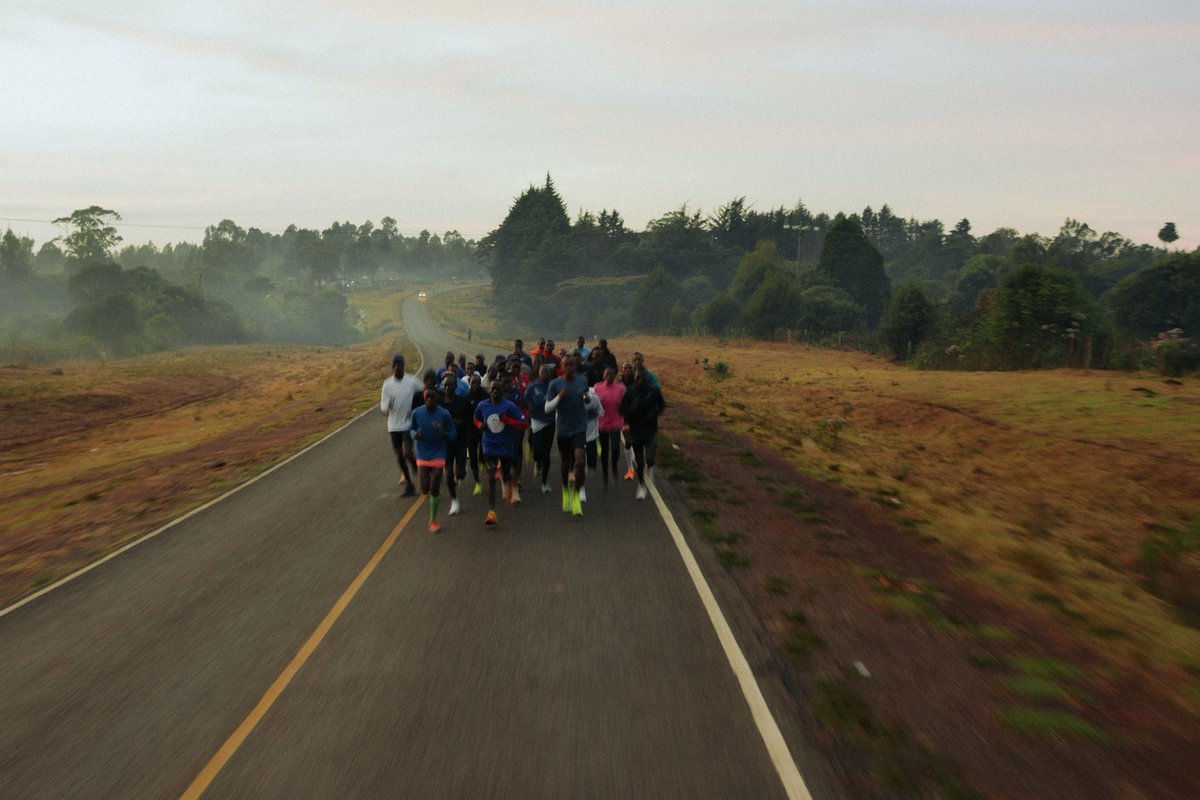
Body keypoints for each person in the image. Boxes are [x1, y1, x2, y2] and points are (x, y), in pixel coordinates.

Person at [473, 379, 527, 526]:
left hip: (505, 446)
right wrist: (480, 425)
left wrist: (508, 420)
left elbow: (524, 424)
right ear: (489, 391)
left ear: (502, 391)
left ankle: (508, 483)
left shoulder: (509, 406)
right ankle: (491, 512)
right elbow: (476, 418)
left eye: (498, 389)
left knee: (506, 472)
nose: (495, 391)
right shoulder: (482, 405)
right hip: (489, 445)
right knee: (491, 476)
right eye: (492, 389)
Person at [545, 354, 591, 516]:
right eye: (566, 365)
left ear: (575, 366)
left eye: (572, 365)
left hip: (579, 427)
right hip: (564, 429)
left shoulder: (582, 381)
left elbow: (587, 397)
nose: (569, 368)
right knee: (565, 461)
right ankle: (565, 489)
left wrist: (587, 399)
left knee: (580, 461)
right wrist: (559, 397)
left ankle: (576, 494)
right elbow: (547, 408)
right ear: (561, 367)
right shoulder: (555, 384)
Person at [410, 388, 456, 532]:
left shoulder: (444, 414)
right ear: (424, 398)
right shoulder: (417, 412)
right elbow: (411, 429)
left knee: (434, 488)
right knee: (425, 488)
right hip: (423, 453)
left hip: (438, 452)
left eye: (432, 397)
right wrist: (415, 435)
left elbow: (453, 434)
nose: (429, 400)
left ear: (437, 398)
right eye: (427, 397)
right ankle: (431, 482)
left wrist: (444, 432)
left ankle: (433, 521)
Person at [379, 353, 424, 496]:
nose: (398, 368)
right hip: (393, 426)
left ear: (404, 366)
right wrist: (385, 409)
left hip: (408, 424)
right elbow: (383, 406)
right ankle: (410, 485)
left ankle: (418, 466)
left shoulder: (412, 381)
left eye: (400, 365)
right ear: (392, 367)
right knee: (400, 458)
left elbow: (424, 391)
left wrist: (417, 409)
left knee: (407, 452)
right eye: (395, 365)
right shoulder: (387, 385)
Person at [619, 366, 666, 500]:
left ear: (647, 378)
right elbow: (622, 410)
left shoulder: (654, 391)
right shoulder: (629, 392)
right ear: (634, 378)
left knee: (650, 458)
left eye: (642, 378)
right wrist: (632, 409)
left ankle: (650, 468)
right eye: (637, 378)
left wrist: (655, 413)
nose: (640, 380)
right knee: (640, 463)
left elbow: (662, 405)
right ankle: (641, 485)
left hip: (650, 429)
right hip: (635, 430)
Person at [440, 372, 474, 516]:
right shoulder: (440, 404)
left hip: (460, 441)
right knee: (448, 474)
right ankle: (454, 500)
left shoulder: (463, 402)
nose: (448, 388)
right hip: (445, 443)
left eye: (450, 385)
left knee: (459, 473)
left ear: (455, 386)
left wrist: (461, 423)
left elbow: (471, 420)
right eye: (445, 385)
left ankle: (462, 470)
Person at [525, 363, 557, 494]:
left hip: (550, 421)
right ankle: (537, 462)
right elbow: (526, 399)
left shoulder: (554, 385)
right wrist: (529, 406)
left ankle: (544, 482)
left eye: (547, 372)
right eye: (543, 372)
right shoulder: (533, 386)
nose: (545, 374)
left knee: (546, 453)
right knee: (537, 452)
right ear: (538, 373)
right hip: (537, 421)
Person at [594, 365, 626, 489]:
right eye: (607, 374)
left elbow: (626, 404)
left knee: (616, 449)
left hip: (616, 422)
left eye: (611, 374)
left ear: (615, 376)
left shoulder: (621, 387)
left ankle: (614, 467)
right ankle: (605, 476)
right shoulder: (597, 387)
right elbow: (593, 404)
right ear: (603, 375)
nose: (609, 376)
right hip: (602, 423)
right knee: (605, 451)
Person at [463, 374, 487, 495]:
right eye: (473, 382)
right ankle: (477, 481)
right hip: (471, 431)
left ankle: (483, 461)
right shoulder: (466, 397)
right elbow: (464, 416)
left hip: (484, 430)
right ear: (470, 383)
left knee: (483, 454)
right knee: (473, 456)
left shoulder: (485, 395)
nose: (476, 385)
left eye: (478, 382)